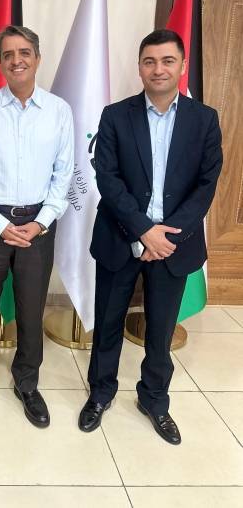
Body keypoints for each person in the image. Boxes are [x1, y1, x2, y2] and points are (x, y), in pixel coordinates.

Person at [78, 28, 223, 445]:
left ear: (182, 66)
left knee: (160, 331)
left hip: (174, 243)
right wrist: (144, 230)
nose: (158, 69)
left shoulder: (204, 119)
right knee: (108, 324)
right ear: (140, 67)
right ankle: (100, 393)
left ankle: (155, 401)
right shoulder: (115, 115)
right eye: (149, 61)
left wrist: (165, 236)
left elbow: (207, 184)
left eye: (167, 61)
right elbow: (107, 178)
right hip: (120, 236)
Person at [0, 25, 74, 428]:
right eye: (8, 54)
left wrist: (41, 222)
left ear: (37, 58)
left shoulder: (59, 111)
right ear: (0, 62)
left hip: (37, 224)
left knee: (30, 307)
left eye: (24, 52)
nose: (16, 60)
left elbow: (64, 174)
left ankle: (27, 383)